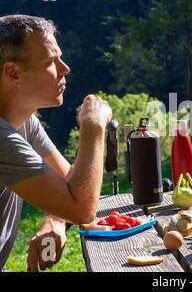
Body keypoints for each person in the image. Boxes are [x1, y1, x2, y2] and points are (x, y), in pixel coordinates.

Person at [0, 15, 112, 271]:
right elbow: (83, 208)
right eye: (51, 61)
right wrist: (93, 126)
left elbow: (72, 186)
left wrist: (56, 219)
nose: (65, 68)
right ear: (13, 73)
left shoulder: (24, 120)